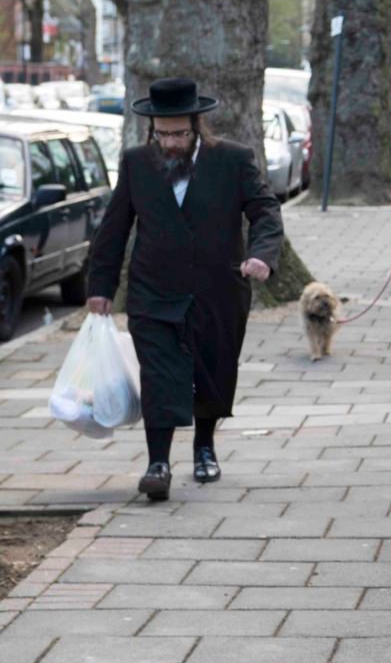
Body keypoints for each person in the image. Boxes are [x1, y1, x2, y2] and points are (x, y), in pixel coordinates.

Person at [86, 77, 284, 501]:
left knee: (211, 372)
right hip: (153, 291)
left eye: (179, 133)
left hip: (217, 290)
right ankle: (158, 463)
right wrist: (100, 287)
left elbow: (265, 209)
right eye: (163, 134)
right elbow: (114, 229)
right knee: (159, 376)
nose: (171, 142)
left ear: (196, 126)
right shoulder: (137, 162)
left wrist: (263, 255)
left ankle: (204, 446)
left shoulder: (232, 159)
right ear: (151, 129)